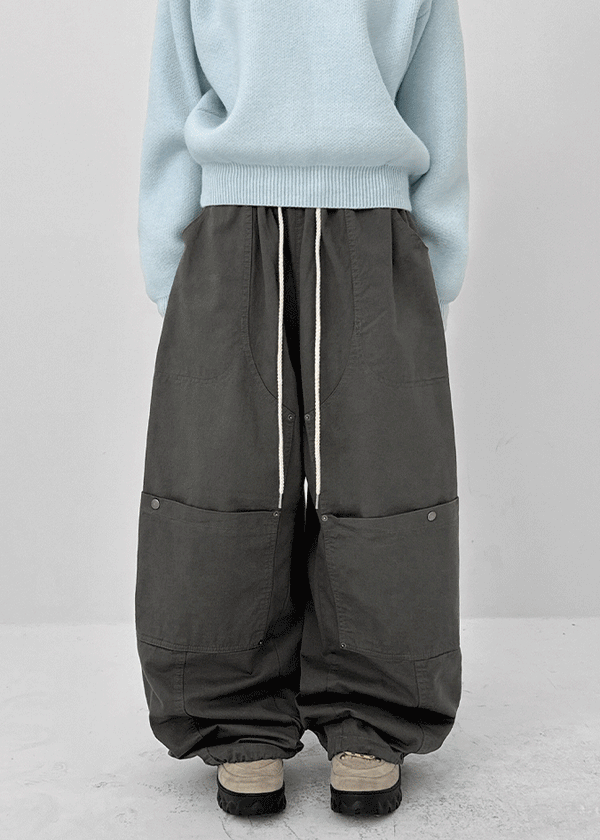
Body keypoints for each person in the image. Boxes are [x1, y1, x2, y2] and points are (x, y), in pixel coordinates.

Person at [135, 0, 469, 819]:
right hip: (228, 229)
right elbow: (174, 99)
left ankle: (373, 720)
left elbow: (439, 101)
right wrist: (172, 268)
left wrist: (431, 265)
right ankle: (234, 720)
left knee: (384, 486)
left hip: (377, 231)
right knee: (221, 482)